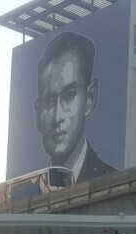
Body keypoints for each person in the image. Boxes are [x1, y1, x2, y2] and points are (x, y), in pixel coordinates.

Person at [34, 31, 117, 184]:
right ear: (38, 113)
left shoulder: (114, 183)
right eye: (49, 101)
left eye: (69, 96)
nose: (57, 117)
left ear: (90, 99)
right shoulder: (27, 193)